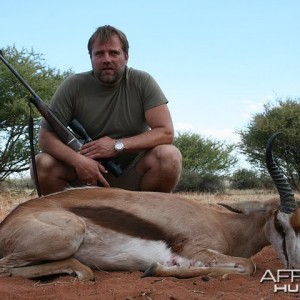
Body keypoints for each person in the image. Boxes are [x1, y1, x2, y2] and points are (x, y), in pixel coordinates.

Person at [31, 25, 182, 195]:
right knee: (41, 164)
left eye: (114, 53)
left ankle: (147, 216)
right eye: (99, 53)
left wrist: (116, 145)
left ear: (126, 56)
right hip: (87, 176)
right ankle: (70, 219)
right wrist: (78, 161)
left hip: (132, 176)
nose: (106, 59)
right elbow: (45, 137)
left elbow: (166, 133)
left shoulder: (142, 81)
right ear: (91, 57)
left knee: (169, 156)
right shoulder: (73, 85)